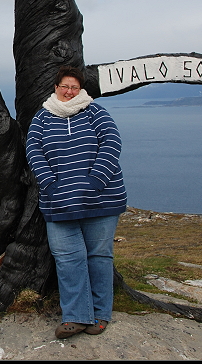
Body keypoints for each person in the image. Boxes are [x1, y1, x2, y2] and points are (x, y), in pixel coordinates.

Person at [25, 65, 126, 338]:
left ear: (80, 89)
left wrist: (96, 181)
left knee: (98, 257)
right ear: (55, 87)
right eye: (64, 86)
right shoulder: (42, 118)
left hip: (101, 199)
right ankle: (76, 316)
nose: (69, 91)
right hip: (58, 201)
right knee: (69, 259)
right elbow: (33, 150)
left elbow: (112, 142)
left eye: (74, 87)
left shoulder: (95, 112)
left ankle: (100, 314)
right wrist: (49, 184)